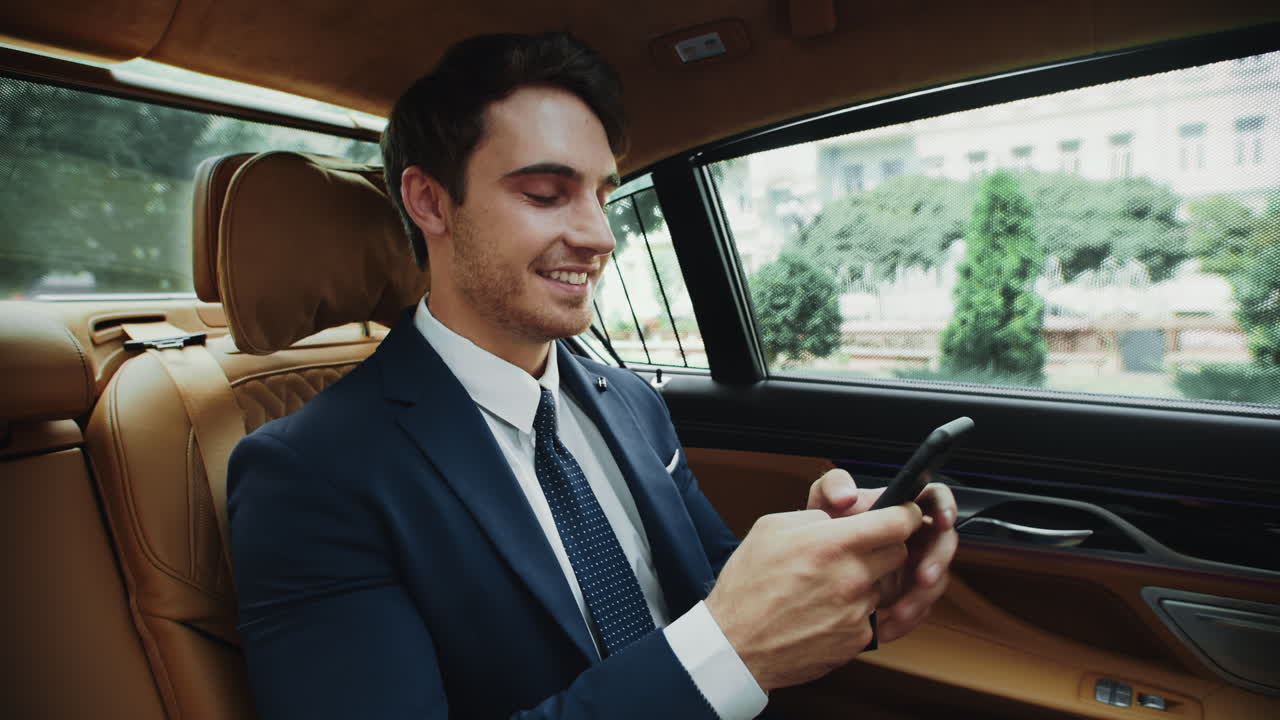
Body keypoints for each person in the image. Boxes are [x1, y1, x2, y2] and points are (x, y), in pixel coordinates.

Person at [227, 31, 958, 720]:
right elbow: (723, 641)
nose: (600, 237)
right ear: (429, 202)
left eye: (604, 195)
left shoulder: (632, 402)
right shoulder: (310, 476)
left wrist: (827, 573)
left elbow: (708, 591)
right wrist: (732, 649)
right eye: (546, 194)